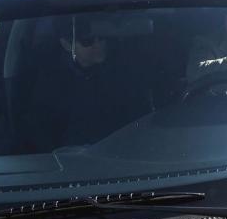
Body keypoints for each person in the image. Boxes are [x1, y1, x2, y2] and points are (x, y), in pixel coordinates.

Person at [21, 14, 153, 151]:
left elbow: (142, 123)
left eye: (102, 37)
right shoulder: (49, 83)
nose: (99, 44)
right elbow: (40, 132)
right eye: (87, 41)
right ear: (66, 44)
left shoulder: (126, 74)